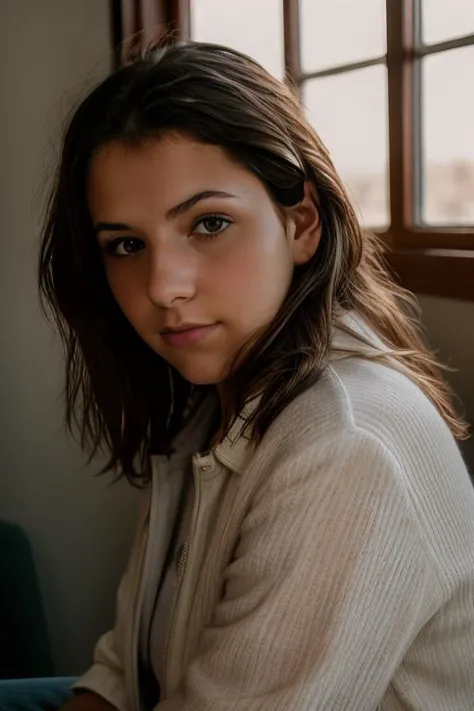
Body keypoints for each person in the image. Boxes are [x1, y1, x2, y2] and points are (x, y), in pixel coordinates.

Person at [9, 40, 474, 710]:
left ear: (301, 221)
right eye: (127, 245)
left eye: (209, 223)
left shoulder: (346, 448)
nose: (164, 287)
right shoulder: (215, 399)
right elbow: (125, 672)